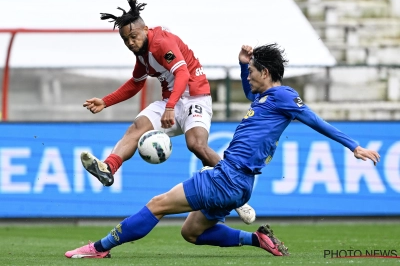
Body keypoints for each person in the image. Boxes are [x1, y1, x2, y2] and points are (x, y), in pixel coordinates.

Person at [65, 43, 380, 259]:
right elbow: (251, 91)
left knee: (157, 205)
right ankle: (257, 238)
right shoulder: (266, 99)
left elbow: (314, 119)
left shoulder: (284, 97)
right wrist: (243, 65)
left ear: (267, 74)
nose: (251, 77)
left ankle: (100, 247)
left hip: (226, 179)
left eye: (254, 71)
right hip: (238, 185)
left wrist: (354, 146)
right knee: (191, 231)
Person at [80, 0, 255, 224]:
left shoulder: (161, 42)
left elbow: (182, 75)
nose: (131, 42)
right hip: (171, 100)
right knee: (137, 127)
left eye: (134, 36)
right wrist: (106, 101)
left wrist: (170, 107)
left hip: (196, 96)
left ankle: (238, 194)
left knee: (197, 145)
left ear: (146, 29)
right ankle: (109, 168)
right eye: (126, 40)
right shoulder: (141, 54)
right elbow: (135, 83)